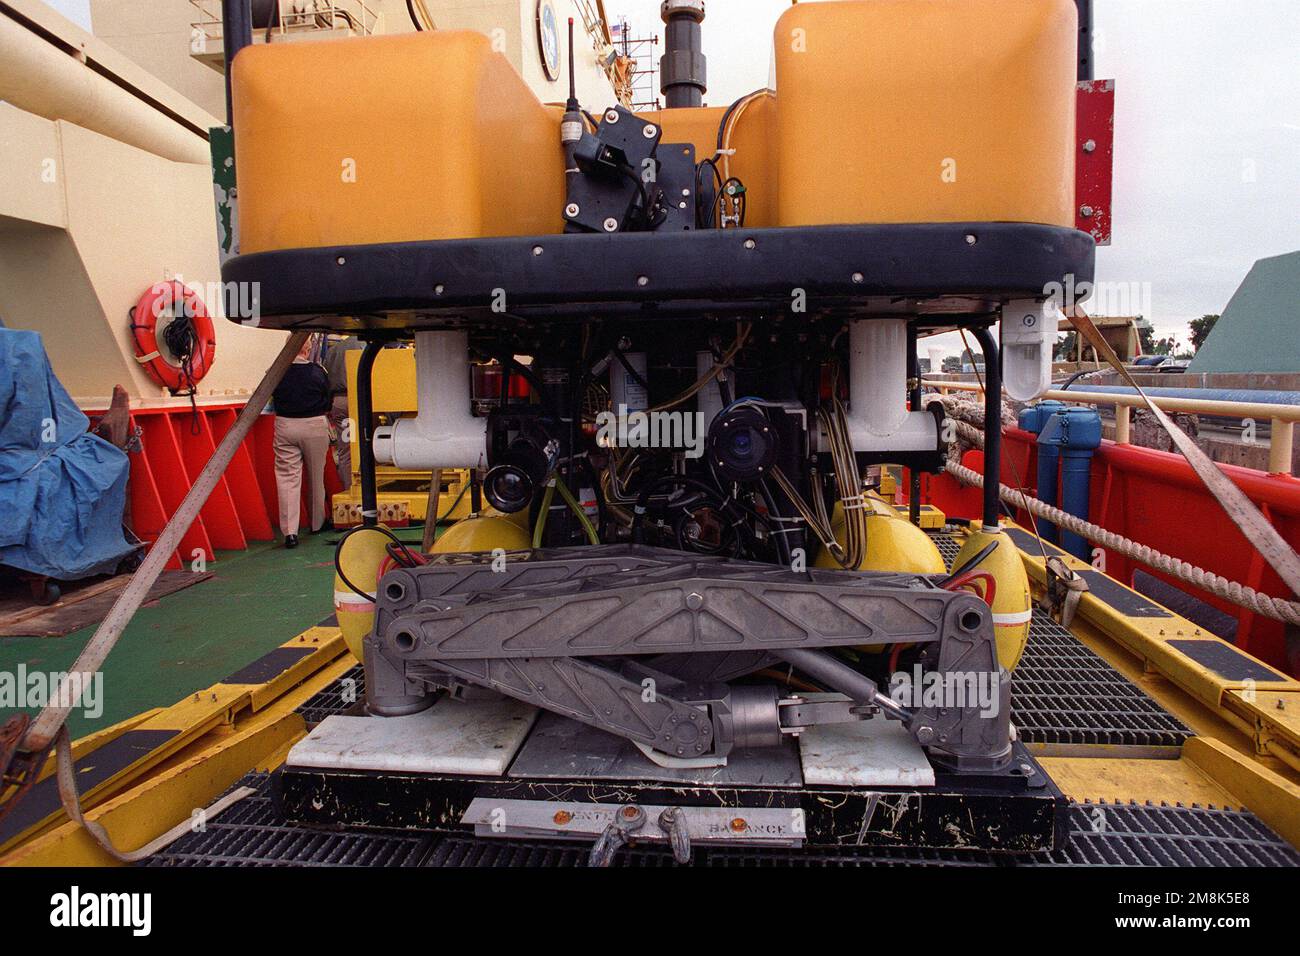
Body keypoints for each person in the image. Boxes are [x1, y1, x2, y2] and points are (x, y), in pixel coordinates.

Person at [272, 336, 332, 547]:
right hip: (314, 424)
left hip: (285, 424)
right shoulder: (318, 371)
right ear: (307, 350)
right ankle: (317, 523)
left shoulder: (275, 371)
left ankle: (290, 532)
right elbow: (328, 400)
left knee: (288, 477)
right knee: (316, 475)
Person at [323, 336, 366, 492]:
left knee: (346, 449)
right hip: (359, 400)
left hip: (338, 403)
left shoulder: (333, 351)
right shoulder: (364, 344)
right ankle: (368, 487)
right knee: (367, 444)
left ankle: (350, 488)